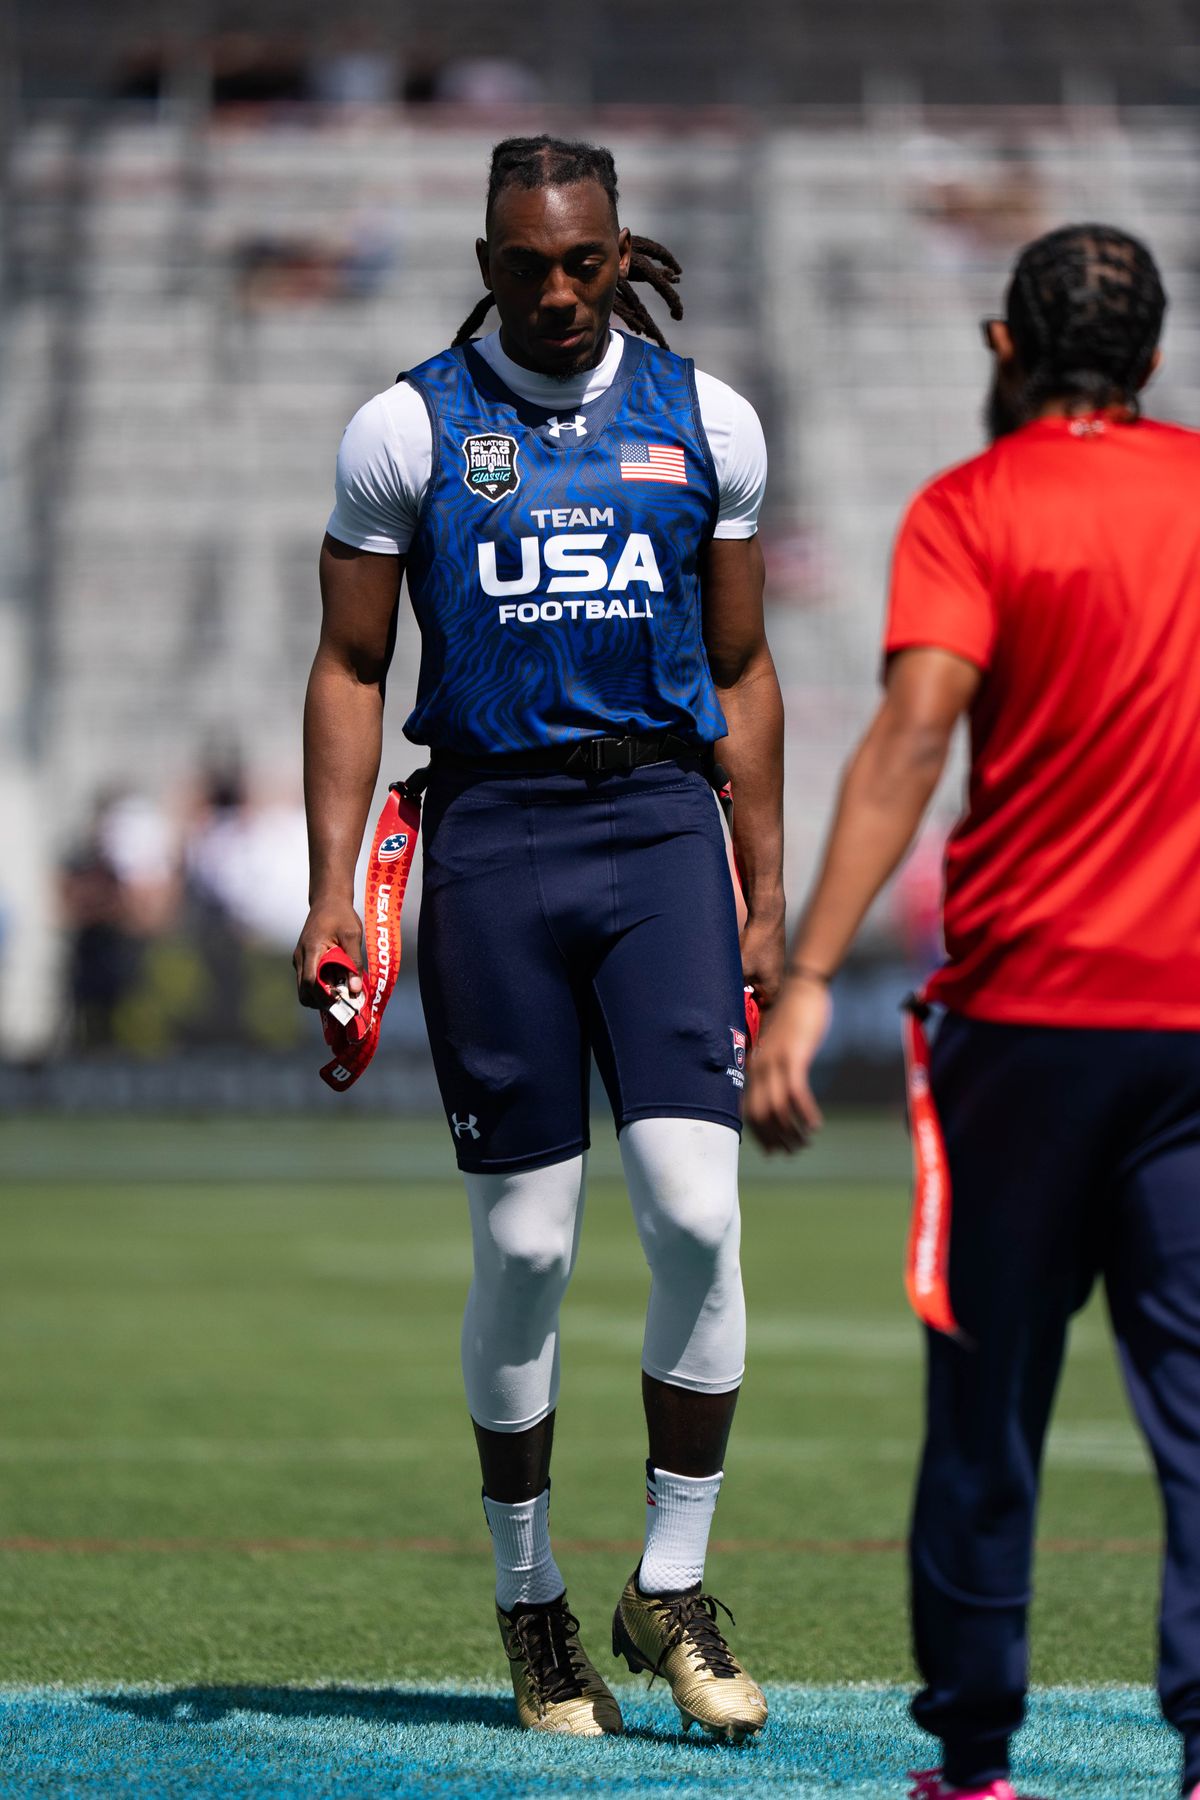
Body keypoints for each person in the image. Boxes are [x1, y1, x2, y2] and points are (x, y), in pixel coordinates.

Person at [294, 135, 784, 1741]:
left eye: (585, 262)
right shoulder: (405, 426)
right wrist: (329, 892)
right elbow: (354, 667)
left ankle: (671, 1584)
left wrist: (764, 888)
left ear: (619, 246)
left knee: (700, 1216)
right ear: (488, 258)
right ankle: (531, 1607)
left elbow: (748, 666)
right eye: (529, 265)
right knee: (524, 1249)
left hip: (659, 835)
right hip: (493, 840)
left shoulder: (706, 419)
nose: (560, 292)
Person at [747, 223, 1200, 1800]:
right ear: (1150, 362)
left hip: (1020, 1026)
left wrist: (804, 976)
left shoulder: (970, 508)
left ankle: (978, 1758)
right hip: (1197, 1028)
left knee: (990, 1397)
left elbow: (907, 742)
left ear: (1004, 352)